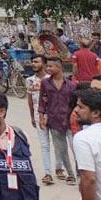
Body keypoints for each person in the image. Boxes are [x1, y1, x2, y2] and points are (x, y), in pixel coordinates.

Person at [40, 55, 77, 185]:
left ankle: (80, 173)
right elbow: (42, 101)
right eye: (47, 66)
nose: (47, 68)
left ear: (59, 67)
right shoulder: (45, 83)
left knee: (76, 148)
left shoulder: (71, 85)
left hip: (70, 122)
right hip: (54, 121)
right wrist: (41, 117)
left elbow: (75, 104)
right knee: (62, 149)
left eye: (50, 66)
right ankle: (71, 175)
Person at [25, 54, 55, 185]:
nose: (33, 64)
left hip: (54, 116)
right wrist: (32, 116)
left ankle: (60, 168)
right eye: (32, 62)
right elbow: (30, 100)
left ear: (43, 63)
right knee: (44, 145)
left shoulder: (51, 79)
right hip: (39, 117)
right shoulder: (30, 80)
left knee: (59, 145)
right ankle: (48, 173)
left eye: (36, 62)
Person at [73, 88, 101, 200]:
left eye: (81, 107)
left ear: (96, 113)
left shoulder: (83, 138)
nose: (75, 110)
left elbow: (89, 179)